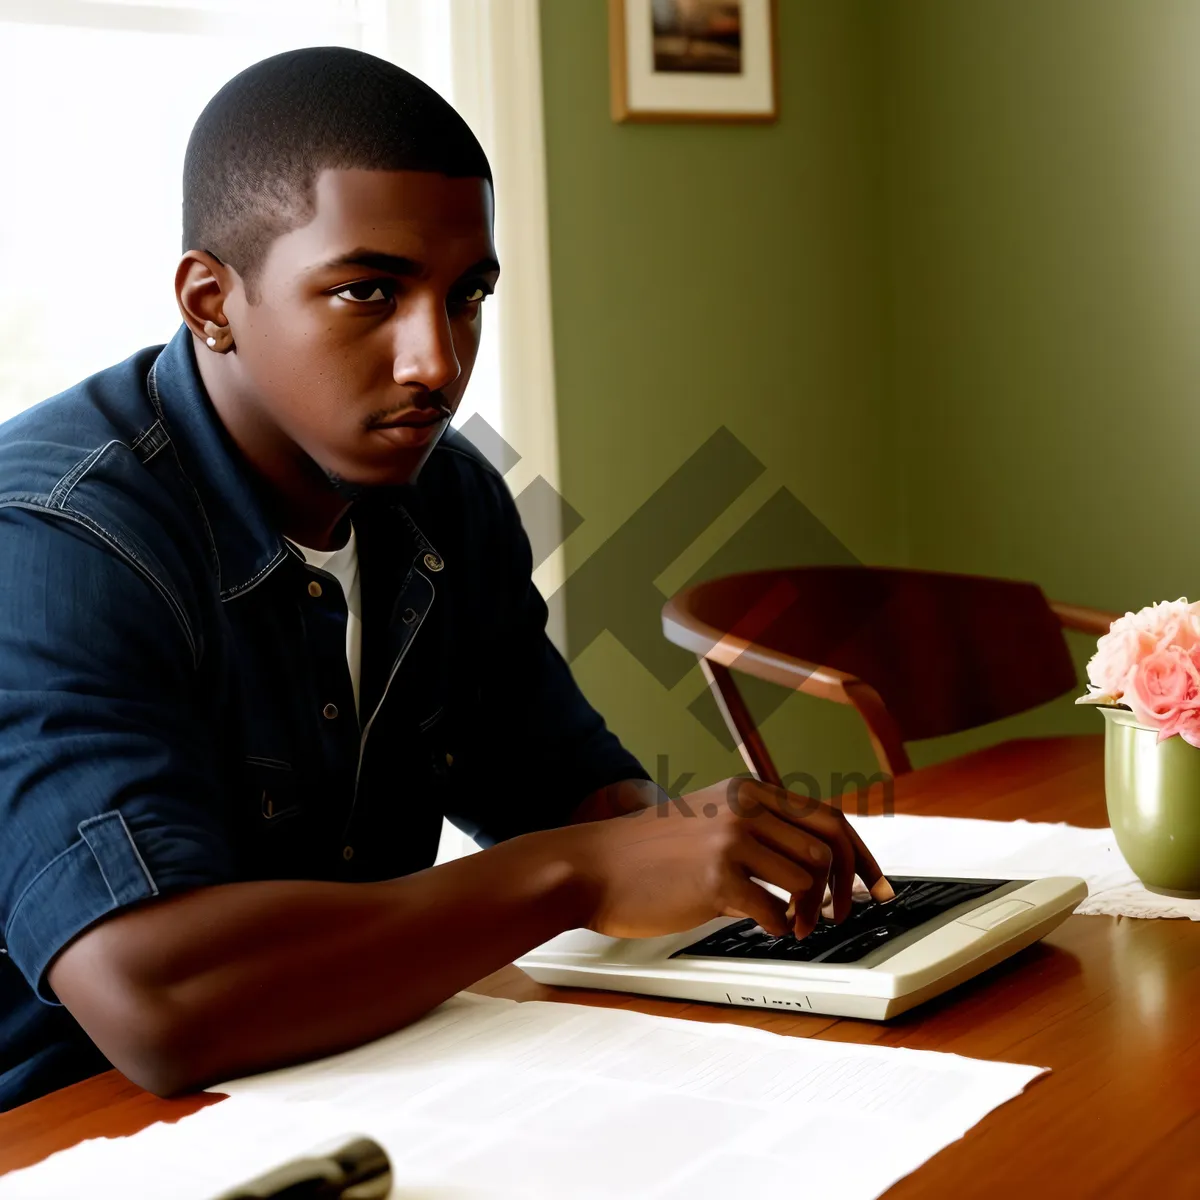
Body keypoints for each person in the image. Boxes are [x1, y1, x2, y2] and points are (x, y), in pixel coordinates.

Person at [0, 47, 890, 1111]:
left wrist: (715, 853)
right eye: (367, 291)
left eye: (466, 295)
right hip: (76, 1130)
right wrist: (586, 872)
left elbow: (563, 792)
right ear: (211, 302)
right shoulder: (51, 545)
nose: (436, 360)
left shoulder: (443, 495)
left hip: (365, 1074)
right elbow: (160, 1002)